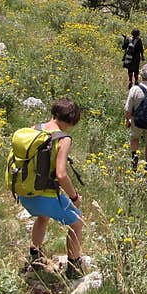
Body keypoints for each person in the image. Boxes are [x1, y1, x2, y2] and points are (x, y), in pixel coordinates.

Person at [17, 98, 85, 280]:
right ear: (70, 120)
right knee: (76, 223)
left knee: (43, 217)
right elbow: (61, 175)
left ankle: (35, 256)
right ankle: (74, 267)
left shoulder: (34, 129)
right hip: (43, 196)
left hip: (25, 193)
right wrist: (74, 196)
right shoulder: (63, 138)